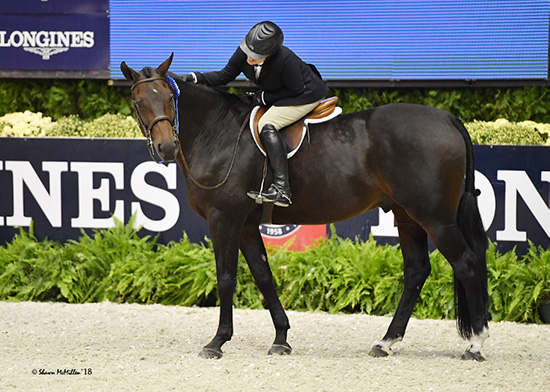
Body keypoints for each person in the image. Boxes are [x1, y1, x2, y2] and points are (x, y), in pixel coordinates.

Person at [185, 21, 328, 207]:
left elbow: (295, 90)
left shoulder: (285, 59)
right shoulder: (245, 51)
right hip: (284, 91)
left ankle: (282, 189)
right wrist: (197, 77)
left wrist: (264, 97)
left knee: (267, 124)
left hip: (305, 94)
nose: (249, 58)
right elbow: (224, 76)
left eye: (255, 55)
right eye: (248, 52)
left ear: (269, 53)